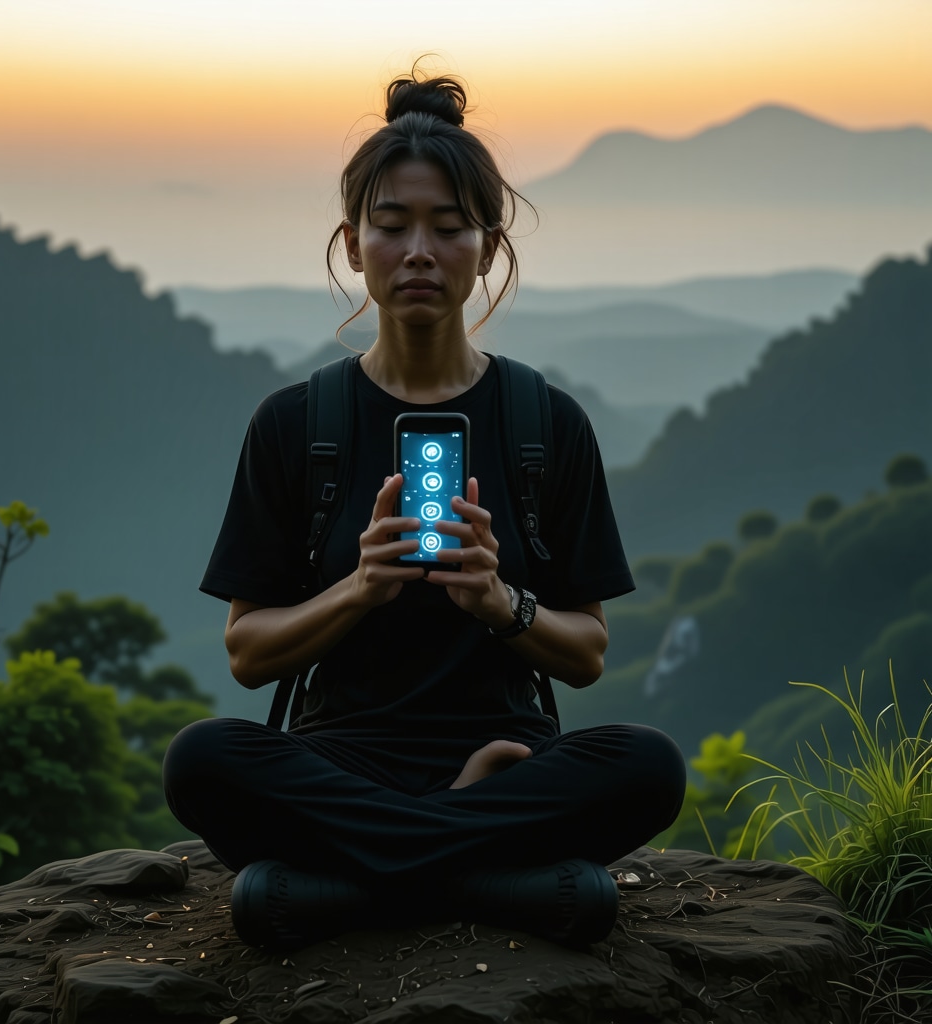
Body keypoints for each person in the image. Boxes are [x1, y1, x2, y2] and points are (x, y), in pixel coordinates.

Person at [163, 71, 685, 951]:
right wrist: (359, 589)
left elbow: (588, 654)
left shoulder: (544, 422)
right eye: (392, 225)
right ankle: (484, 870)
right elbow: (248, 655)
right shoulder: (297, 425)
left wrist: (501, 604)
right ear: (352, 242)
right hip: (338, 757)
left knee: (649, 765)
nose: (419, 252)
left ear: (487, 246)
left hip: (507, 754)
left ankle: (352, 886)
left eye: (448, 228)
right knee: (202, 758)